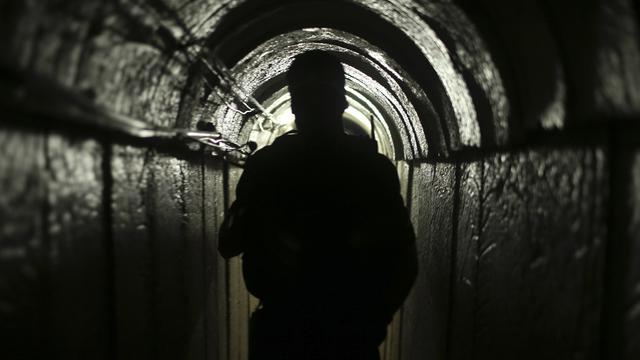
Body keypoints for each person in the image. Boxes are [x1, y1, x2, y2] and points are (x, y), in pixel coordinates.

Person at [219, 50, 417, 360]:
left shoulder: (267, 165)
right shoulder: (372, 168)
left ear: (294, 105)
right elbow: (403, 259)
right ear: (343, 102)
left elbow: (229, 242)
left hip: (281, 333)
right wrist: (373, 321)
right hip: (349, 334)